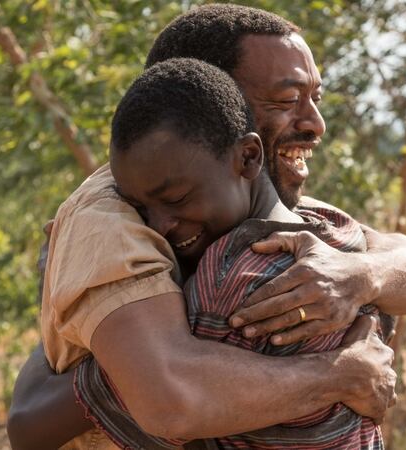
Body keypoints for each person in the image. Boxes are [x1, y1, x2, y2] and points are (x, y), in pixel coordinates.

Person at [7, 4, 406, 450]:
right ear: (211, 101)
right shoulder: (114, 219)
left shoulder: (285, 219)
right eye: (285, 100)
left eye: (315, 98)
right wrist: (343, 374)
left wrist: (361, 275)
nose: (315, 124)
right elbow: (172, 397)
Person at [78, 56, 383, 449]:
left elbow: (167, 407)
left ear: (249, 157)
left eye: (177, 198)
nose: (157, 227)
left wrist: (90, 351)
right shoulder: (341, 233)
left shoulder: (227, 282)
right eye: (140, 208)